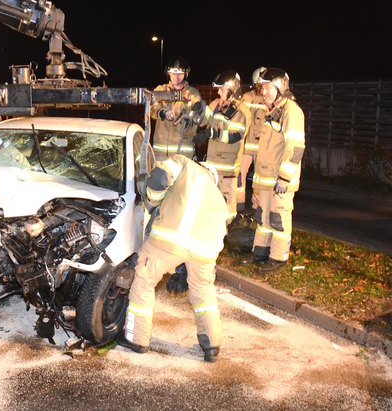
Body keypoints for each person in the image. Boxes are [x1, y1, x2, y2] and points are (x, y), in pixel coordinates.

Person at [115, 155, 228, 362]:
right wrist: (188, 265)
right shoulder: (220, 200)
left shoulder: (186, 165)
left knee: (144, 280)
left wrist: (153, 201)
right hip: (204, 254)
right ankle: (211, 345)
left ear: (201, 166)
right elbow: (219, 236)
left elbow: (159, 177)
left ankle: (136, 338)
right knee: (203, 291)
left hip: (169, 241)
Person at [241, 68, 306, 273]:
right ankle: (260, 253)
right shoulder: (272, 111)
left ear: (280, 87)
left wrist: (285, 178)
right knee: (263, 217)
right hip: (267, 179)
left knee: (279, 219)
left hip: (280, 181)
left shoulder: (291, 111)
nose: (264, 92)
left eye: (268, 88)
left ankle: (278, 258)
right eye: (263, 88)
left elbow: (295, 148)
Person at [193, 70, 249, 224]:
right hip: (211, 168)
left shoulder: (241, 111)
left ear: (231, 89)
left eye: (221, 89)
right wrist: (199, 110)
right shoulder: (216, 104)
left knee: (226, 211)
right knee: (210, 207)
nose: (218, 92)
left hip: (227, 171)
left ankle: (226, 240)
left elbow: (235, 135)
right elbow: (203, 120)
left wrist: (211, 133)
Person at [151, 57, 203, 161]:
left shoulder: (193, 94)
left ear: (186, 74)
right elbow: (152, 108)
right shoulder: (160, 90)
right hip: (160, 155)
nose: (176, 77)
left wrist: (189, 121)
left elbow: (200, 120)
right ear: (168, 73)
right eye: (173, 73)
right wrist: (162, 112)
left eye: (180, 74)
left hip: (183, 156)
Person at [237, 67, 268, 216]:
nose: (264, 89)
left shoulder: (270, 100)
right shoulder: (247, 98)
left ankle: (257, 209)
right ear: (255, 84)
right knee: (240, 176)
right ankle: (239, 207)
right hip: (247, 146)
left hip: (262, 148)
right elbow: (241, 118)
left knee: (260, 179)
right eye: (261, 85)